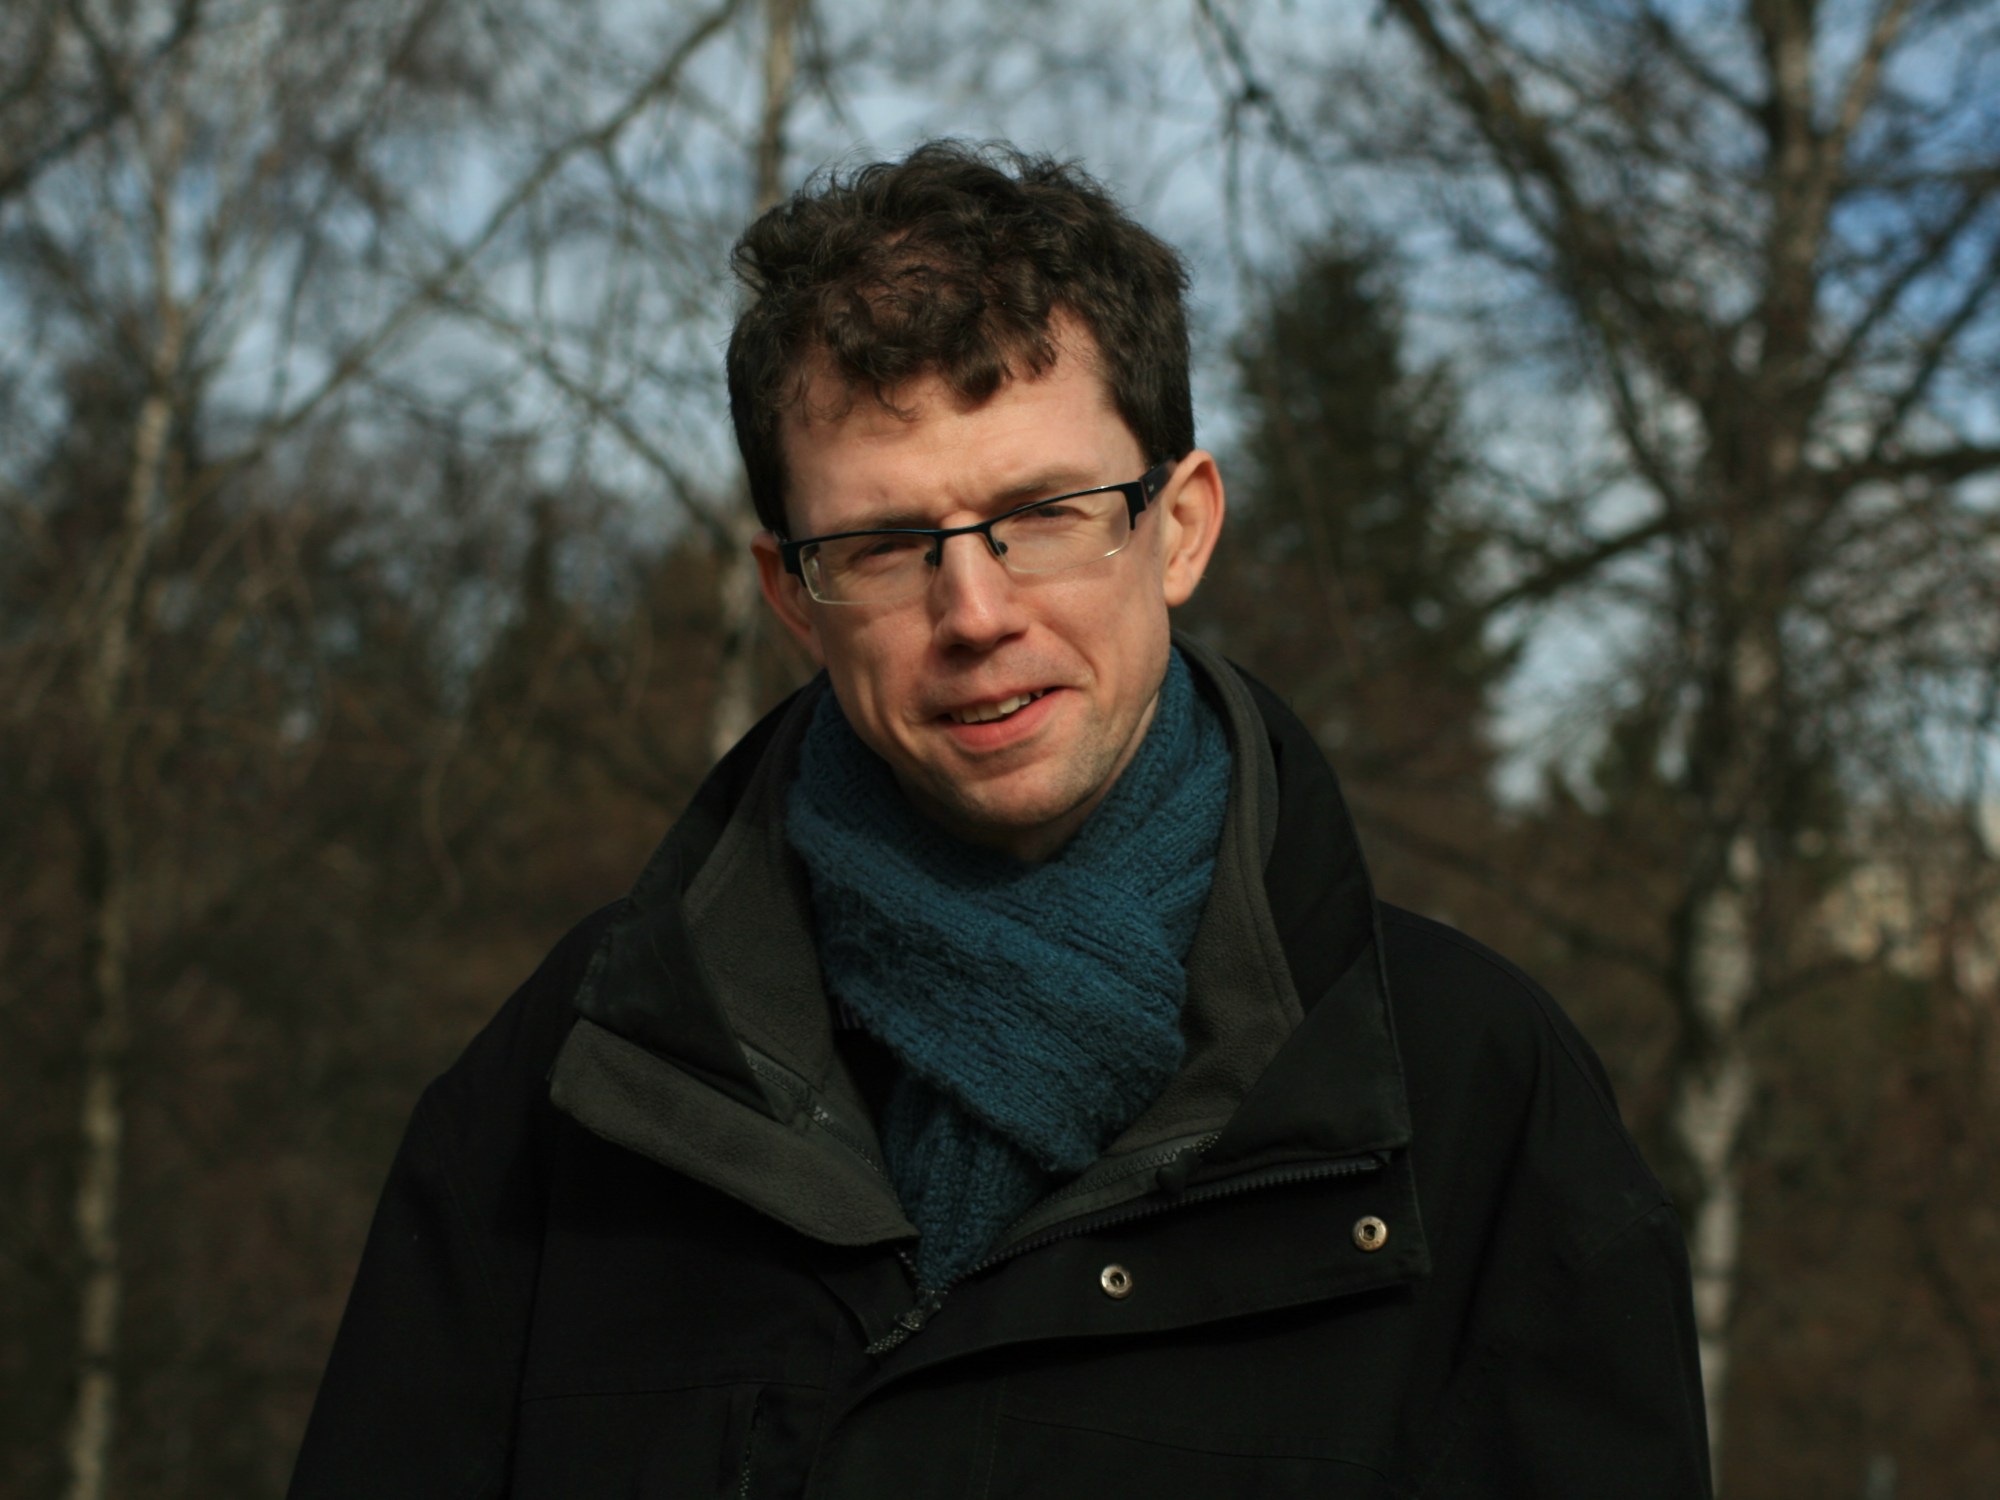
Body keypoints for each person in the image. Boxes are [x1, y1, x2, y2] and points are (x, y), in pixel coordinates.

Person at [290, 141, 1712, 1498]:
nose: (975, 612)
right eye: (885, 544)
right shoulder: (585, 1075)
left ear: (1180, 526)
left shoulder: (1470, 1097)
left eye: (1041, 513)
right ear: (793, 597)